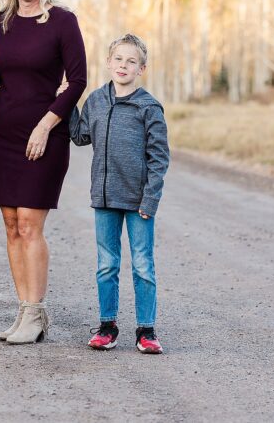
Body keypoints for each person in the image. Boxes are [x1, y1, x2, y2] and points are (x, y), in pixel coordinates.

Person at [0, 0, 87, 344]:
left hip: (44, 135)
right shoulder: (0, 23)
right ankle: (24, 312)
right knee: (11, 226)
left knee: (30, 224)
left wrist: (46, 125)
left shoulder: (62, 21)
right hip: (5, 134)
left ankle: (37, 311)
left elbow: (77, 81)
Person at [69, 33, 170, 353]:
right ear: (108, 63)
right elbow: (80, 136)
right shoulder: (96, 100)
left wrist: (150, 199)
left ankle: (146, 330)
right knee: (106, 264)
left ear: (142, 68)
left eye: (131, 61)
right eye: (118, 59)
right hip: (104, 199)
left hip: (138, 201)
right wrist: (68, 102)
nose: (123, 65)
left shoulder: (149, 107)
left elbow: (159, 158)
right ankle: (107, 325)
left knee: (142, 264)